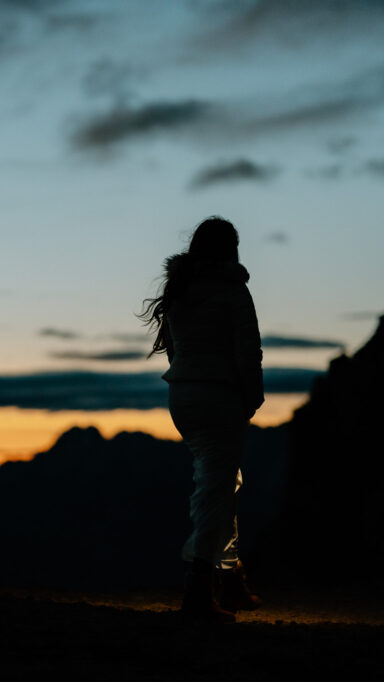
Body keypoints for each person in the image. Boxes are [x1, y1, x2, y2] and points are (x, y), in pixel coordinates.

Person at [140, 216, 264, 625]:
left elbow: (174, 348)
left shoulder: (181, 289)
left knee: (219, 481)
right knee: (215, 489)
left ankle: (230, 579)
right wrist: (252, 395)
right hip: (219, 395)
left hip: (184, 396)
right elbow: (249, 348)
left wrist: (190, 380)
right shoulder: (232, 289)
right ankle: (199, 588)